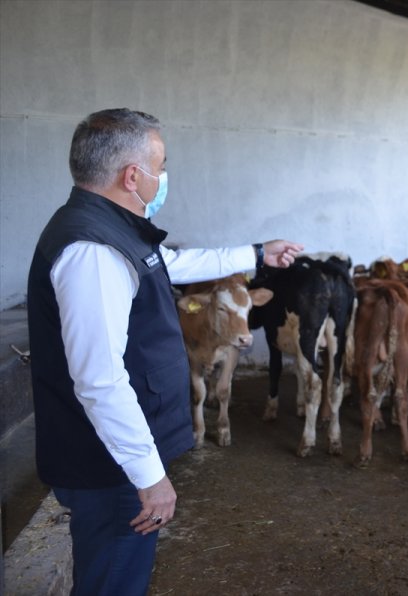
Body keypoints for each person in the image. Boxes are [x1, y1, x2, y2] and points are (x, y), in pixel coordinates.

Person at [26, 108, 303, 595]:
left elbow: (170, 264)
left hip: (113, 459)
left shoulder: (108, 227)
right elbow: (99, 380)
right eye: (162, 165)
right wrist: (150, 477)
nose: (164, 177)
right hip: (109, 467)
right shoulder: (93, 250)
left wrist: (256, 254)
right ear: (133, 176)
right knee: (113, 582)